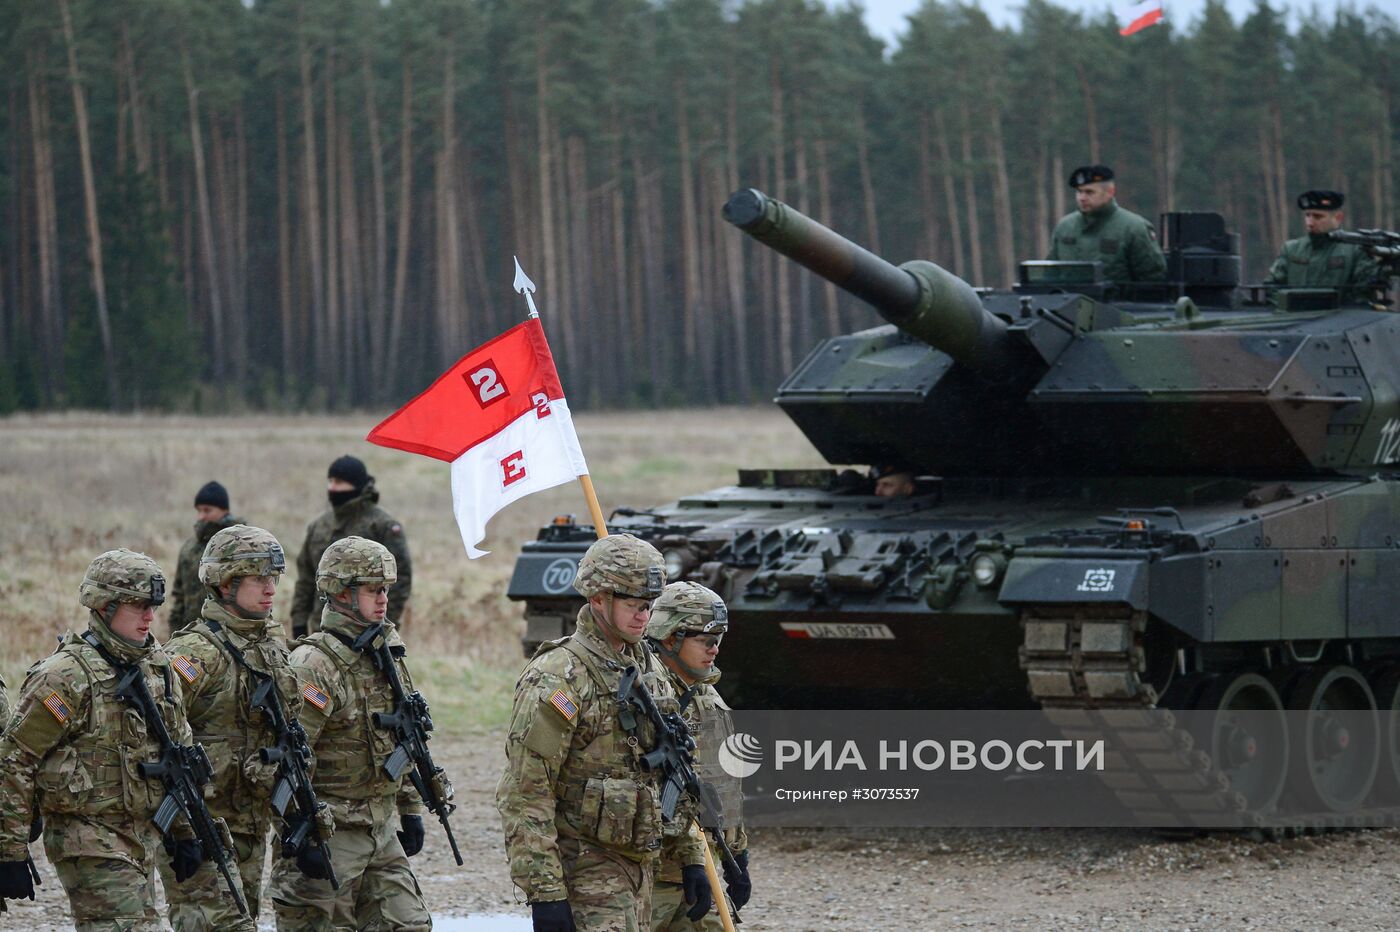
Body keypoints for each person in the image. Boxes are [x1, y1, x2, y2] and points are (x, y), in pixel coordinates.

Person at [497, 534, 711, 932]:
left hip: (641, 866)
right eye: (632, 605)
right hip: (584, 867)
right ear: (597, 599)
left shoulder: (648, 668)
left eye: (648, 606)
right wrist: (545, 893)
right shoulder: (559, 675)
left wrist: (691, 856)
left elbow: (673, 770)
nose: (642, 617)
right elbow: (526, 791)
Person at [0, 549, 204, 929]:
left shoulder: (159, 669)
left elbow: (176, 759)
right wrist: (10, 850)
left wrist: (185, 831)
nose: (149, 616)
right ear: (104, 606)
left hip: (142, 836)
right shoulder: (65, 676)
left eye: (153, 606)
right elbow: (16, 759)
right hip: (87, 839)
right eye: (138, 605)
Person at [270, 536, 433, 931]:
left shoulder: (385, 656)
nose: (383, 600)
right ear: (341, 593)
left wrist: (410, 809)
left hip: (379, 831)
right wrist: (299, 832)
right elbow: (287, 760)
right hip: (329, 833)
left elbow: (404, 739)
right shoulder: (314, 665)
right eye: (373, 590)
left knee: (410, 924)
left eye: (386, 590)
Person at [161, 526, 303, 930]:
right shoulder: (195, 654)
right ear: (225, 582)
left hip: (249, 825)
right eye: (259, 578)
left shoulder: (271, 647)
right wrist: (180, 829)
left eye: (273, 578)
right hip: (202, 826)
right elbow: (155, 743)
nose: (270, 588)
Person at [646, 582, 751, 932]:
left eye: (719, 640)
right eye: (706, 640)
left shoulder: (707, 694)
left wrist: (736, 854)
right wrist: (692, 859)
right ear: (670, 636)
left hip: (699, 871)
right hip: (651, 876)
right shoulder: (645, 697)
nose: (715, 650)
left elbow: (722, 782)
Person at [291, 456, 411, 639]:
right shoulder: (319, 525)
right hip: (322, 629)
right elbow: (306, 578)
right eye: (330, 482)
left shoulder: (382, 525)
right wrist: (299, 623)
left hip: (366, 631)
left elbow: (399, 580)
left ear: (355, 485)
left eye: (339, 482)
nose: (332, 488)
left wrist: (384, 626)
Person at [1047, 164, 1166, 284]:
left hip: (1117, 301)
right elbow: (1050, 273)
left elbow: (1153, 279)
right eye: (1079, 192)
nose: (1082, 198)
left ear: (1110, 192)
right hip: (1067, 300)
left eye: (1089, 192)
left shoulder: (1133, 228)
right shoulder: (1065, 227)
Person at [1266, 190, 1379, 301]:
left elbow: (1363, 294)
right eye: (1307, 215)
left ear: (1338, 218)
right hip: (1296, 317)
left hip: (1339, 317)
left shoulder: (1356, 250)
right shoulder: (1291, 249)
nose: (1310, 222)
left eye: (1318, 217)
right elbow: (1272, 287)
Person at [168, 481, 244, 634]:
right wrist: (174, 633)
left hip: (230, 637)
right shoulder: (189, 548)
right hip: (190, 635)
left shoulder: (243, 543)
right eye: (198, 510)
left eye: (207, 510)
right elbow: (179, 595)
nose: (201, 516)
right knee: (179, 660)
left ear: (224, 510)